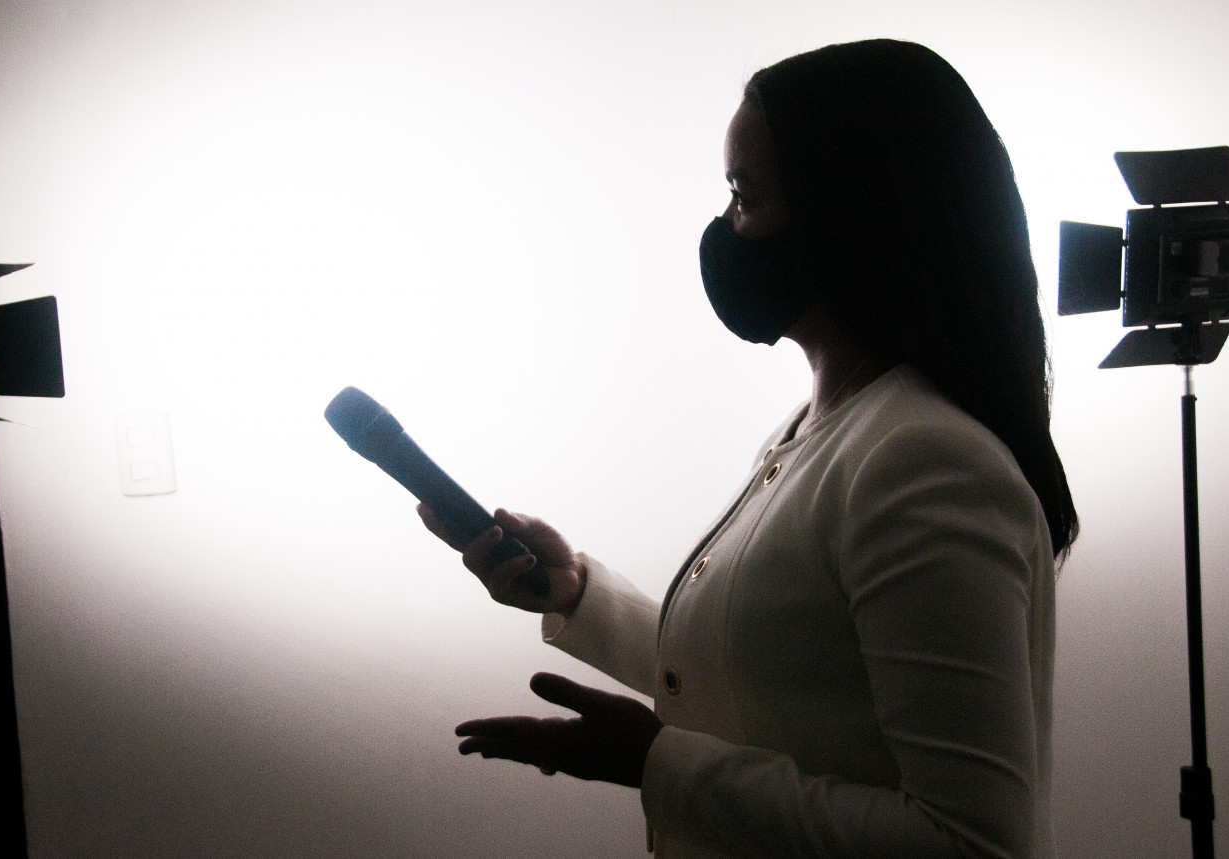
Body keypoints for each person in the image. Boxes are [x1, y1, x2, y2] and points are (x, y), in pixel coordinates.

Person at [418, 39, 1078, 859]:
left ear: (849, 214)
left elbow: (972, 842)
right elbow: (777, 672)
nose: (725, 228)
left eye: (744, 197)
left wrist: (656, 764)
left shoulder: (923, 463)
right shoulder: (822, 431)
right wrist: (580, 594)